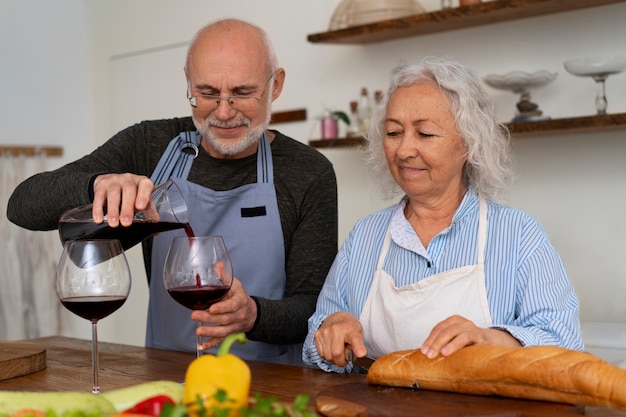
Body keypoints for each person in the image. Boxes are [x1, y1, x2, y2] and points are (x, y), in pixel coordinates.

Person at [7, 18, 338, 366]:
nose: (224, 112)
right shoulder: (149, 146)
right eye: (207, 93)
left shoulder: (308, 172)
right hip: (166, 378)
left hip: (272, 387)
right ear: (187, 81)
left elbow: (316, 307)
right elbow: (22, 205)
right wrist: (97, 183)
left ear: (275, 86)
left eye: (242, 93)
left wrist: (254, 314)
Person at [302, 56, 583, 373]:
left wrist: (490, 340)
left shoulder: (517, 234)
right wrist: (331, 330)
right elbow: (314, 342)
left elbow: (565, 345)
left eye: (425, 134)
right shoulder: (366, 236)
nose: (405, 150)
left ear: (468, 144)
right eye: (394, 133)